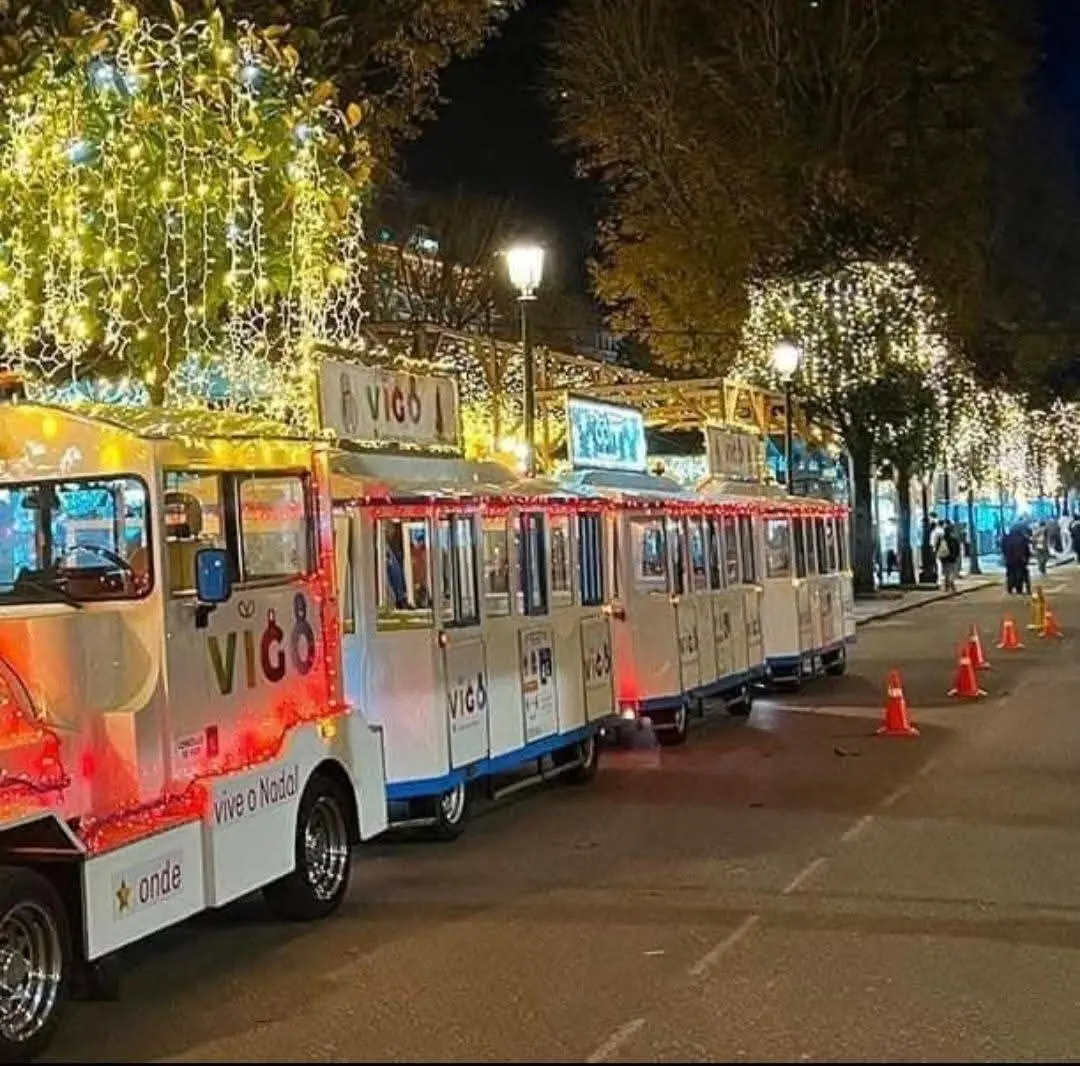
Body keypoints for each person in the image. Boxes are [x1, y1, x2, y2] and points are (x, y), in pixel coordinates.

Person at [1001, 523, 1031, 595]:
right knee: (1019, 574)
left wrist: (1005, 556)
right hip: (1020, 559)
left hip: (1009, 559)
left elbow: (1003, 548)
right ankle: (1018, 588)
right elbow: (1026, 550)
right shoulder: (1022, 538)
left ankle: (1010, 588)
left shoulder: (1006, 538)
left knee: (1010, 574)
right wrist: (1026, 558)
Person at [939, 521, 961, 592]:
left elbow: (938, 548)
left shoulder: (942, 539)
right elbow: (957, 549)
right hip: (952, 558)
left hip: (944, 557)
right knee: (951, 572)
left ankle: (947, 586)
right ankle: (951, 584)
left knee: (946, 572)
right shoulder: (954, 539)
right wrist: (956, 556)